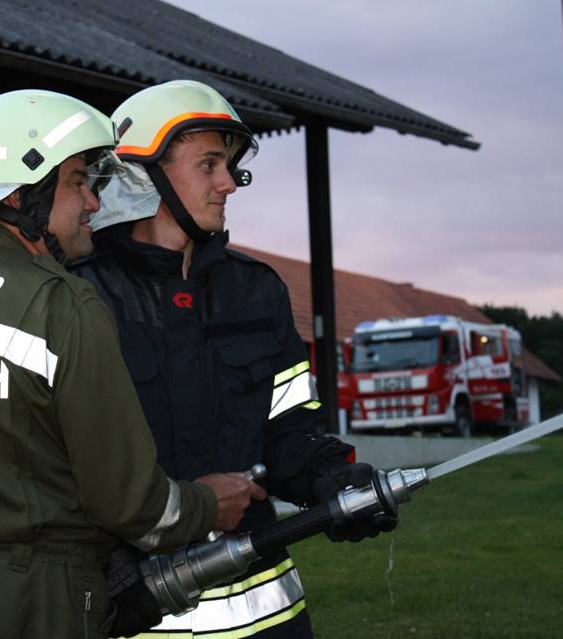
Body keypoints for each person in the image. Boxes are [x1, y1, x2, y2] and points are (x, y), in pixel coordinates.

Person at [0, 89, 265, 639]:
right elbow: (132, 504)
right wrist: (208, 504)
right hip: (29, 601)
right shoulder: (60, 301)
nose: (93, 203)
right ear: (25, 194)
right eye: (77, 183)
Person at [73, 80, 397, 639]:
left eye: (229, 166)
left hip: (268, 619)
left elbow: (287, 431)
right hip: (135, 614)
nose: (228, 183)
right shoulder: (79, 299)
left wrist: (331, 478)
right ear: (142, 175)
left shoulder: (256, 291)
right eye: (209, 165)